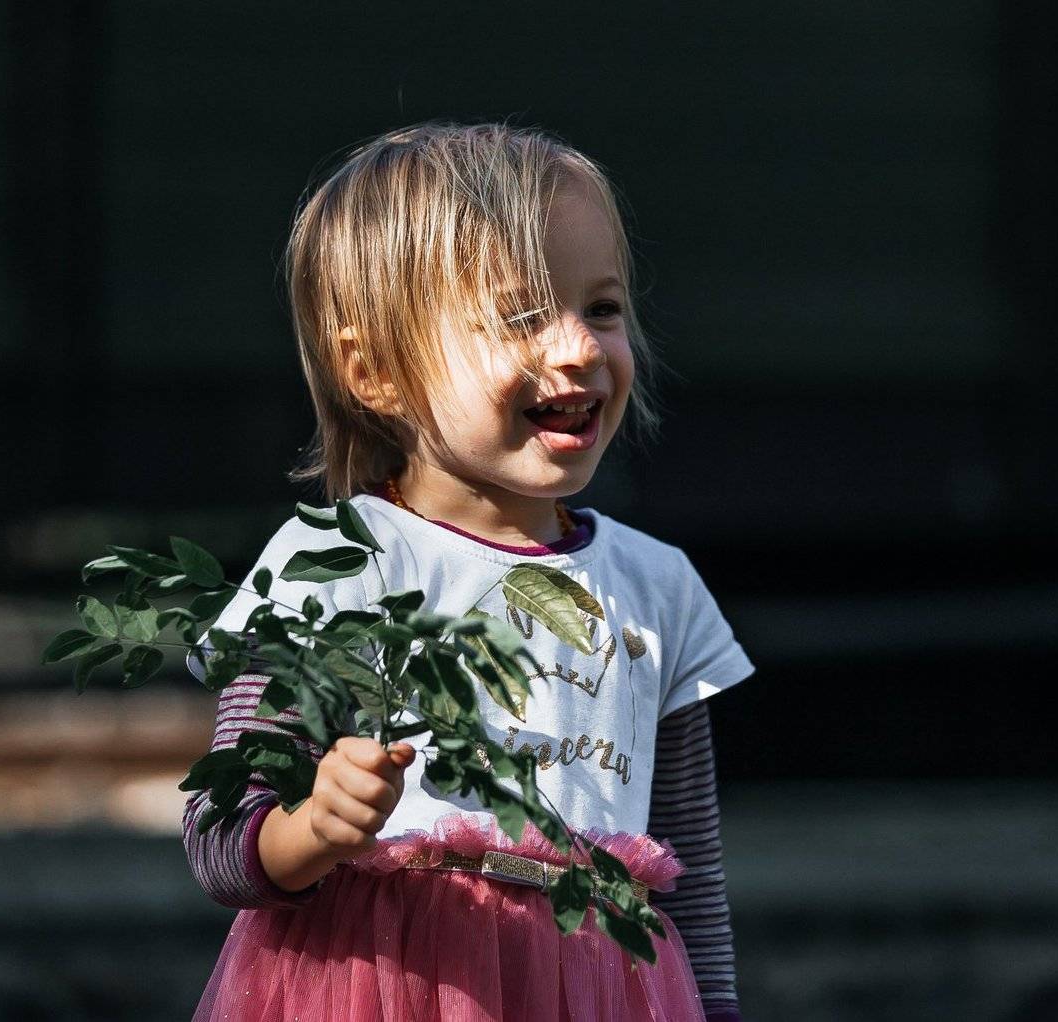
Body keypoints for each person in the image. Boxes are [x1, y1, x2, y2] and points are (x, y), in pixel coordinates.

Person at [180, 121, 755, 1022]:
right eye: (522, 318)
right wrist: (313, 826)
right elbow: (220, 839)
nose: (578, 348)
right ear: (374, 371)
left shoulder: (660, 588)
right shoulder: (333, 566)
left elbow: (690, 883)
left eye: (602, 308)